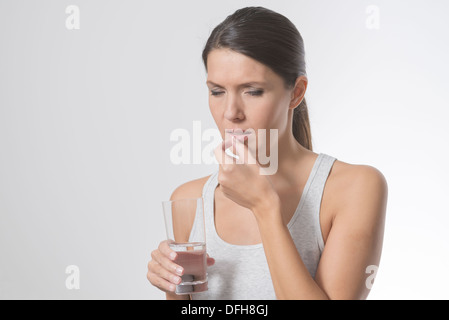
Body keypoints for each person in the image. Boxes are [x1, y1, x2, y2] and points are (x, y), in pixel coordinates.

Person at [147, 6, 388, 300]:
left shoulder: (354, 188)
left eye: (252, 91)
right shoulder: (189, 200)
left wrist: (265, 208)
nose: (230, 113)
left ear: (296, 92)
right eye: (217, 91)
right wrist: (173, 286)